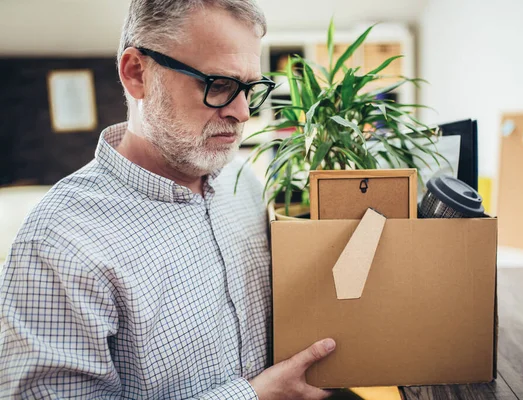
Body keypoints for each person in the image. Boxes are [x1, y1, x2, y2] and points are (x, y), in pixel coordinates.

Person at [0, 1, 336, 398]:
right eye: (220, 85)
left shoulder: (243, 181)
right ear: (137, 73)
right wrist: (255, 395)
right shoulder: (58, 242)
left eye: (250, 88)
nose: (243, 113)